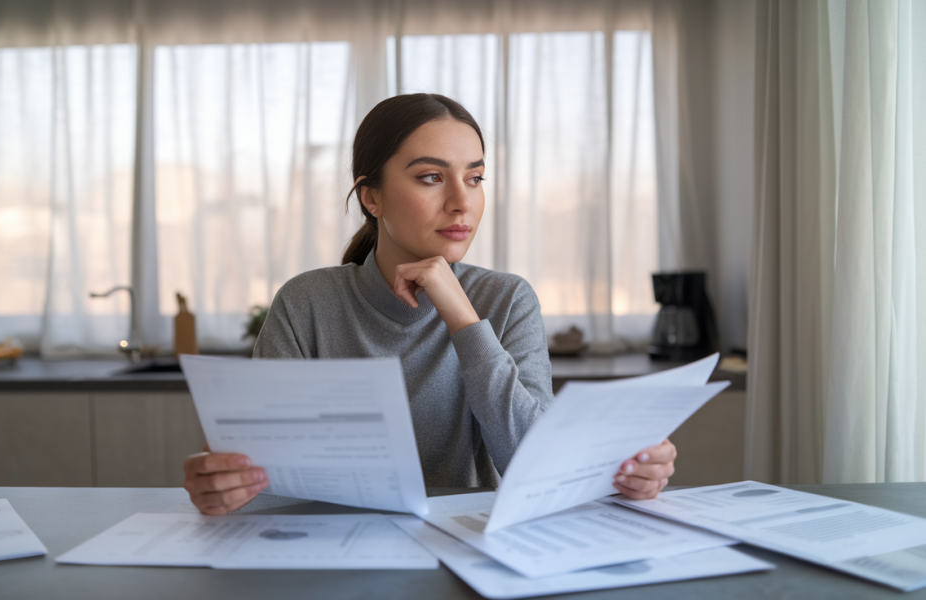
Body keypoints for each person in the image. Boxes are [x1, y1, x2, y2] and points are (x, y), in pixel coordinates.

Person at [182, 93, 677, 515]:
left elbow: (534, 465)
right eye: (430, 178)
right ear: (371, 197)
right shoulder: (306, 302)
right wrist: (226, 484)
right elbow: (266, 473)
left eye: (476, 178)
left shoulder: (506, 300)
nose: (462, 201)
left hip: (468, 550)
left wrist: (462, 317)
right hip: (339, 556)